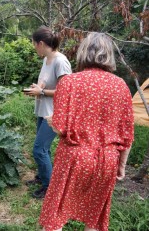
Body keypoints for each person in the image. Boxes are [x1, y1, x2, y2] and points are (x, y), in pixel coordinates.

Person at [39, 32, 134, 231]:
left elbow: (58, 126)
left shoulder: (69, 82)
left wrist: (52, 121)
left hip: (74, 156)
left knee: (56, 211)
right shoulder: (121, 86)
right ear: (109, 55)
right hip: (107, 159)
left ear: (83, 52)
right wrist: (121, 166)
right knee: (94, 216)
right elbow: (127, 134)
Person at [24, 26, 72, 199]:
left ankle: (49, 187)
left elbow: (66, 91)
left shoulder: (61, 61)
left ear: (41, 43)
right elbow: (46, 81)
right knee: (43, 149)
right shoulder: (46, 59)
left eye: (34, 44)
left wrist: (42, 92)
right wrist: (39, 88)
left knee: (39, 150)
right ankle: (43, 176)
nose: (34, 47)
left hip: (54, 114)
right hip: (43, 110)